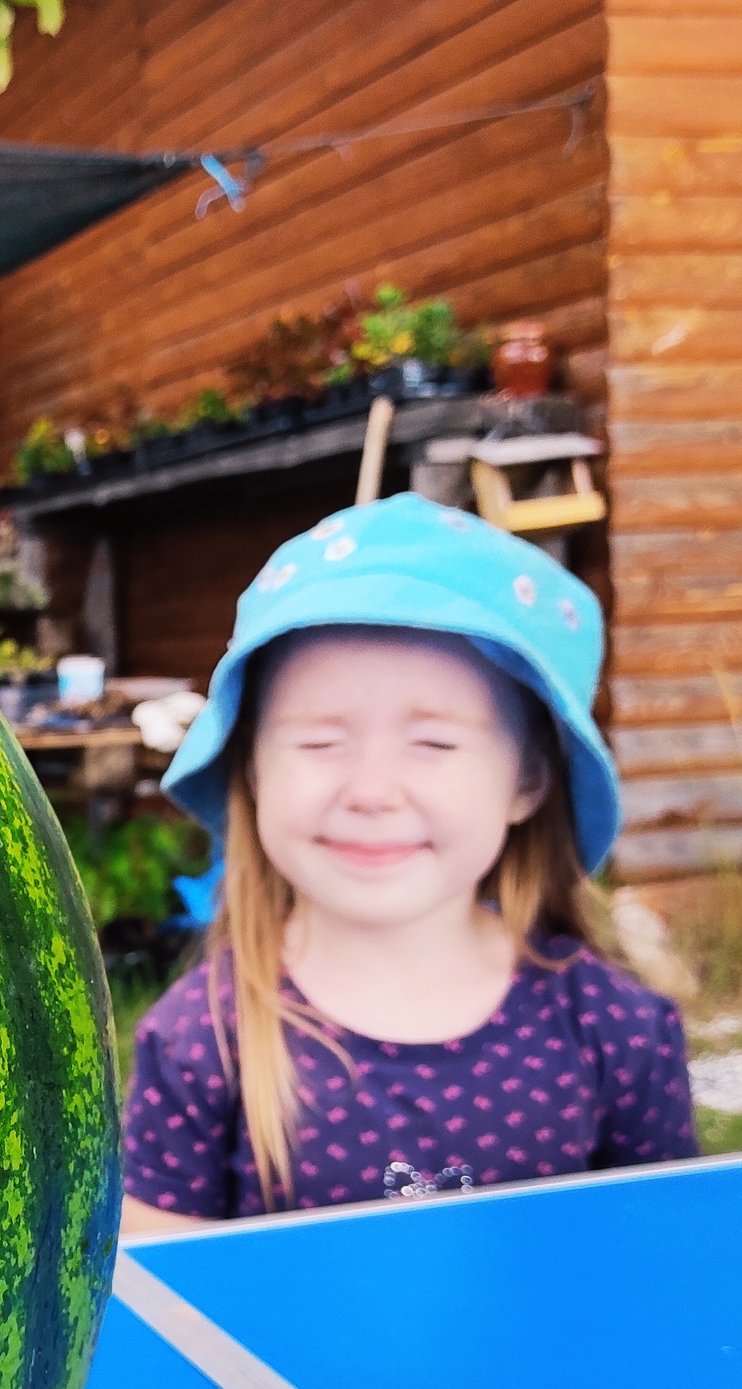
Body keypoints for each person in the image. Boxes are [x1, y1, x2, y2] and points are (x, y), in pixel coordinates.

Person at [119, 494, 696, 1236]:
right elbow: (167, 1305)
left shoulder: (617, 1032)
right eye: (319, 742)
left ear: (527, 781)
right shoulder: (202, 1041)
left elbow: (666, 1269)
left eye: (433, 744)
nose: (370, 792)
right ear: (253, 771)